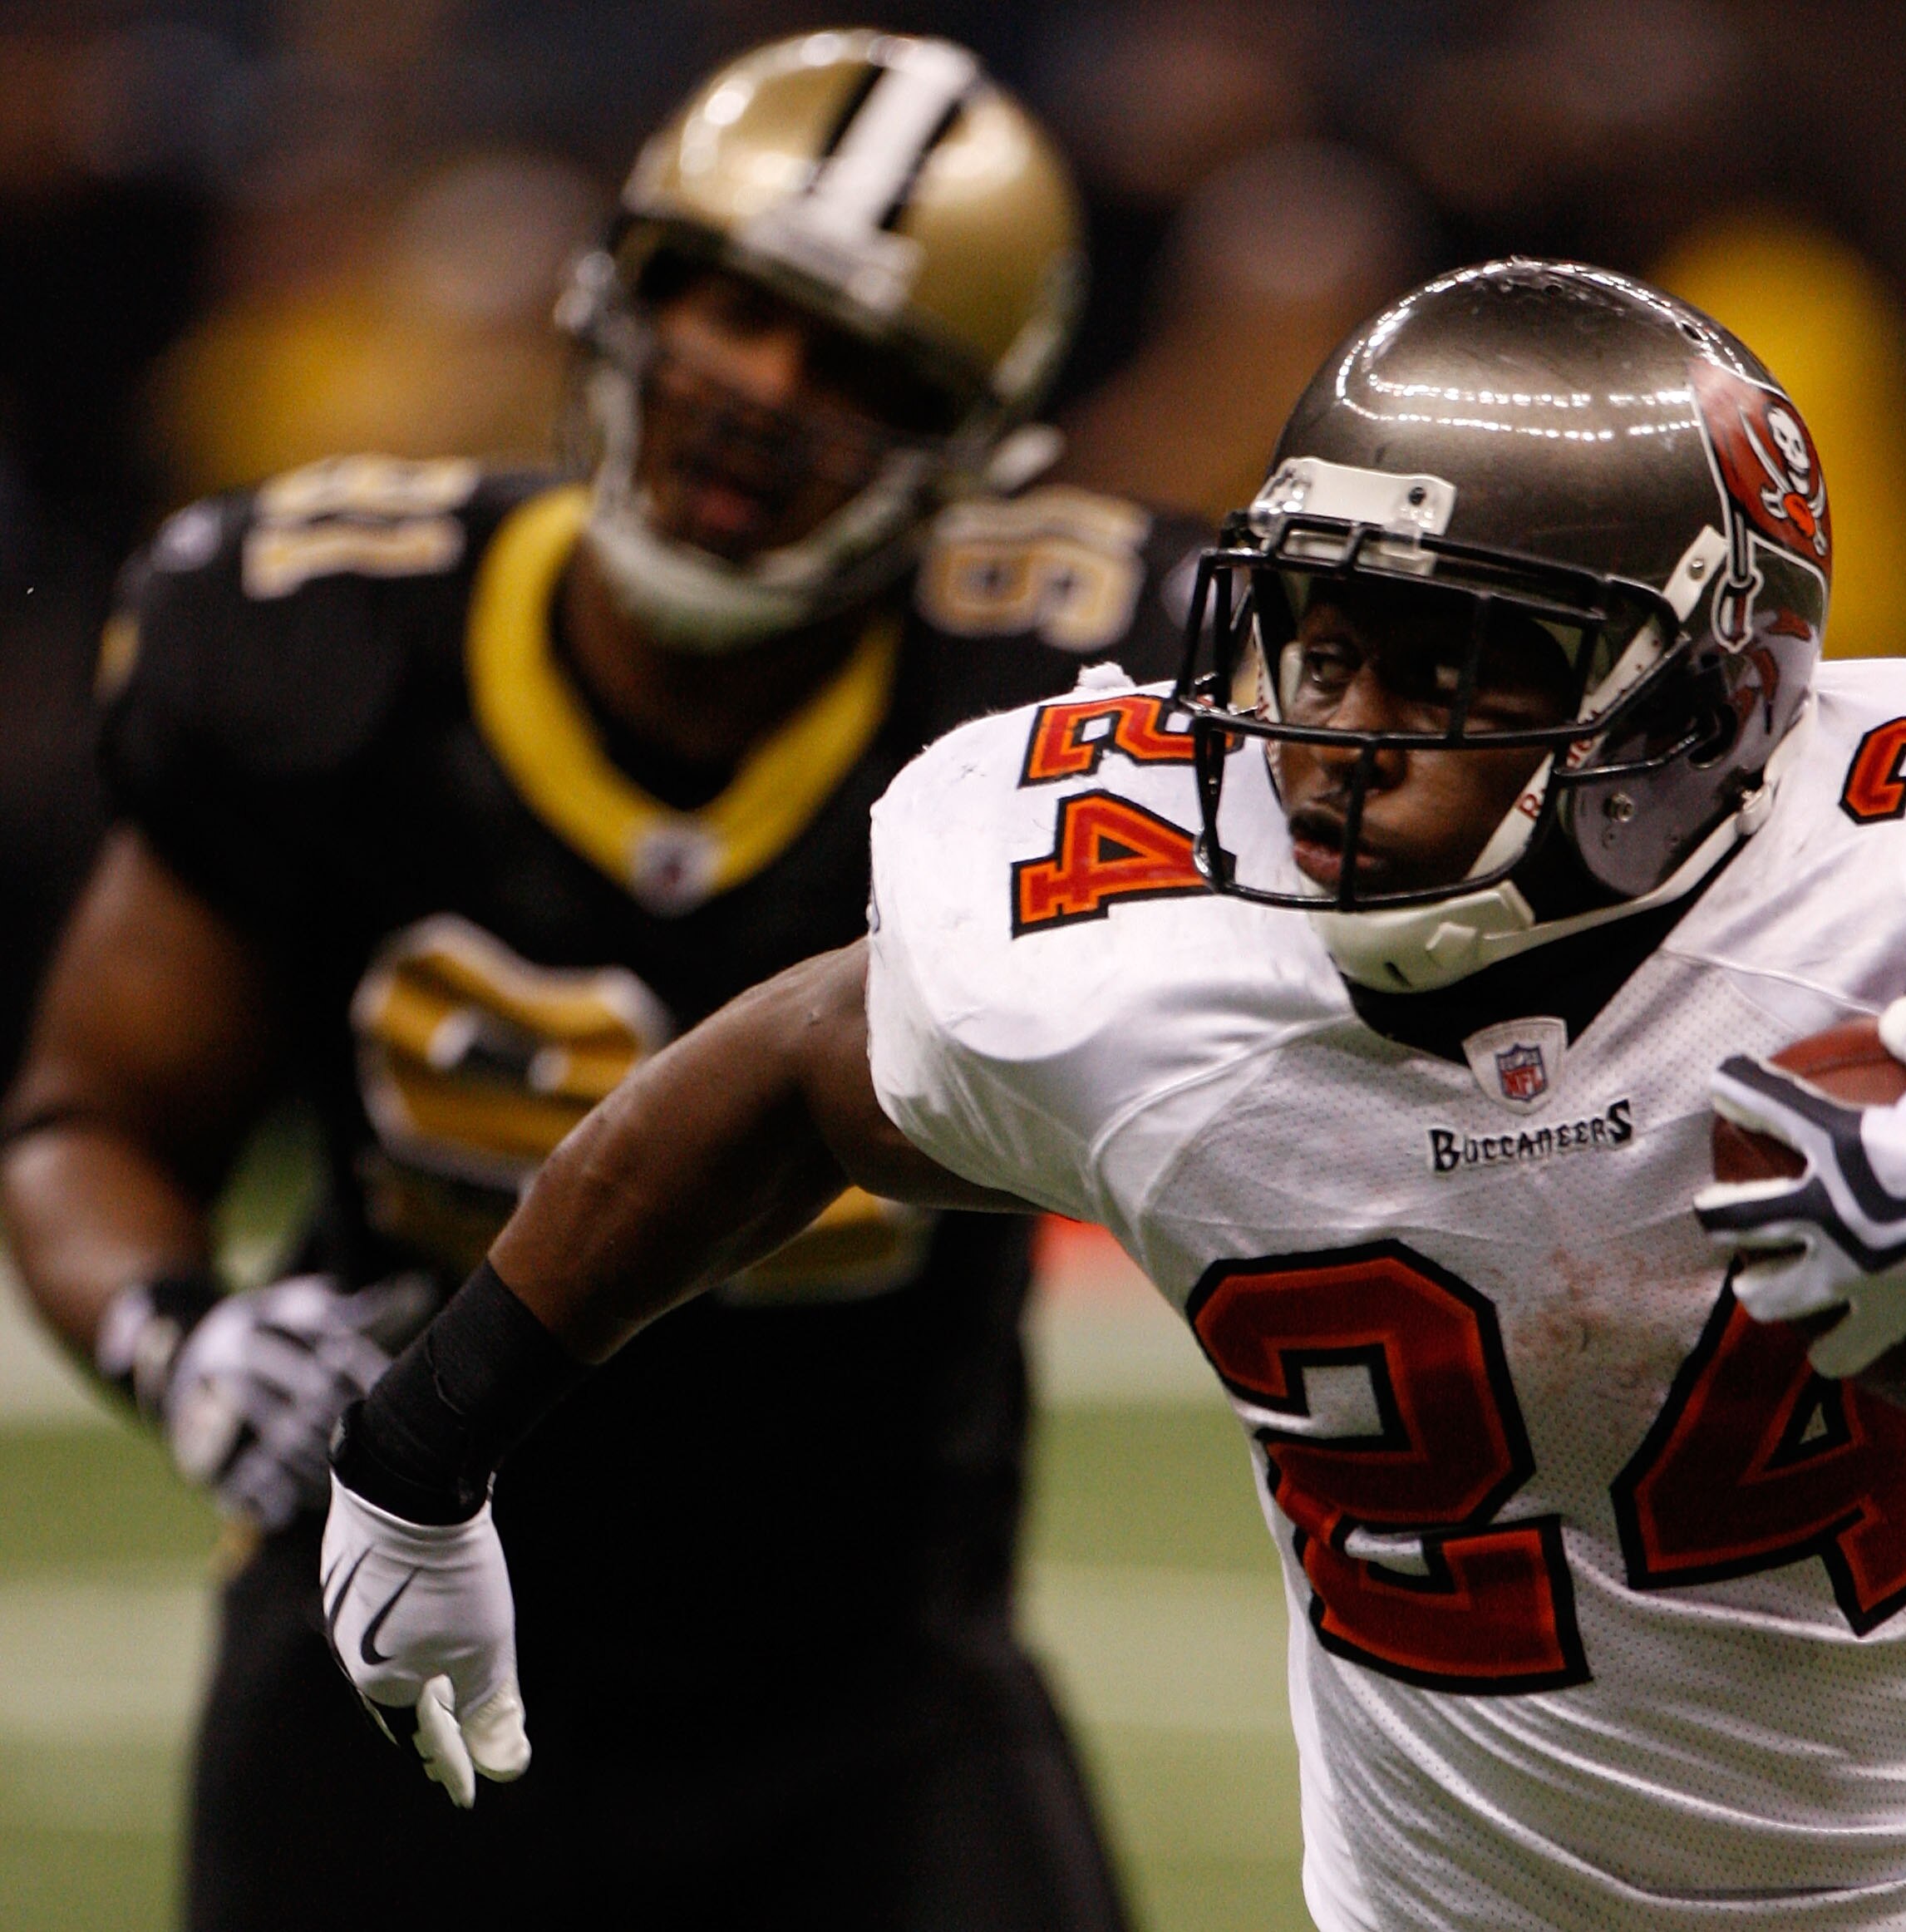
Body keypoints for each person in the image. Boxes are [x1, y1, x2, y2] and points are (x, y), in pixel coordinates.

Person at [313, 261, 1906, 1932]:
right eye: (1317, 640)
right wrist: (425, 1449)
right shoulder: (1124, 934)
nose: (1337, 735)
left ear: (1707, 695)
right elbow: (787, 1075)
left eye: (1454, 664)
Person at [0, 32, 1204, 1932]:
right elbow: (90, 1121)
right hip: (378, 1664)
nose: (754, 392)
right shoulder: (326, 645)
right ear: (611, 293)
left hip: (871, 1689)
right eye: (718, 307)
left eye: (855, 364)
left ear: (985, 446)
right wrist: (182, 1340)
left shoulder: (1069, 706)